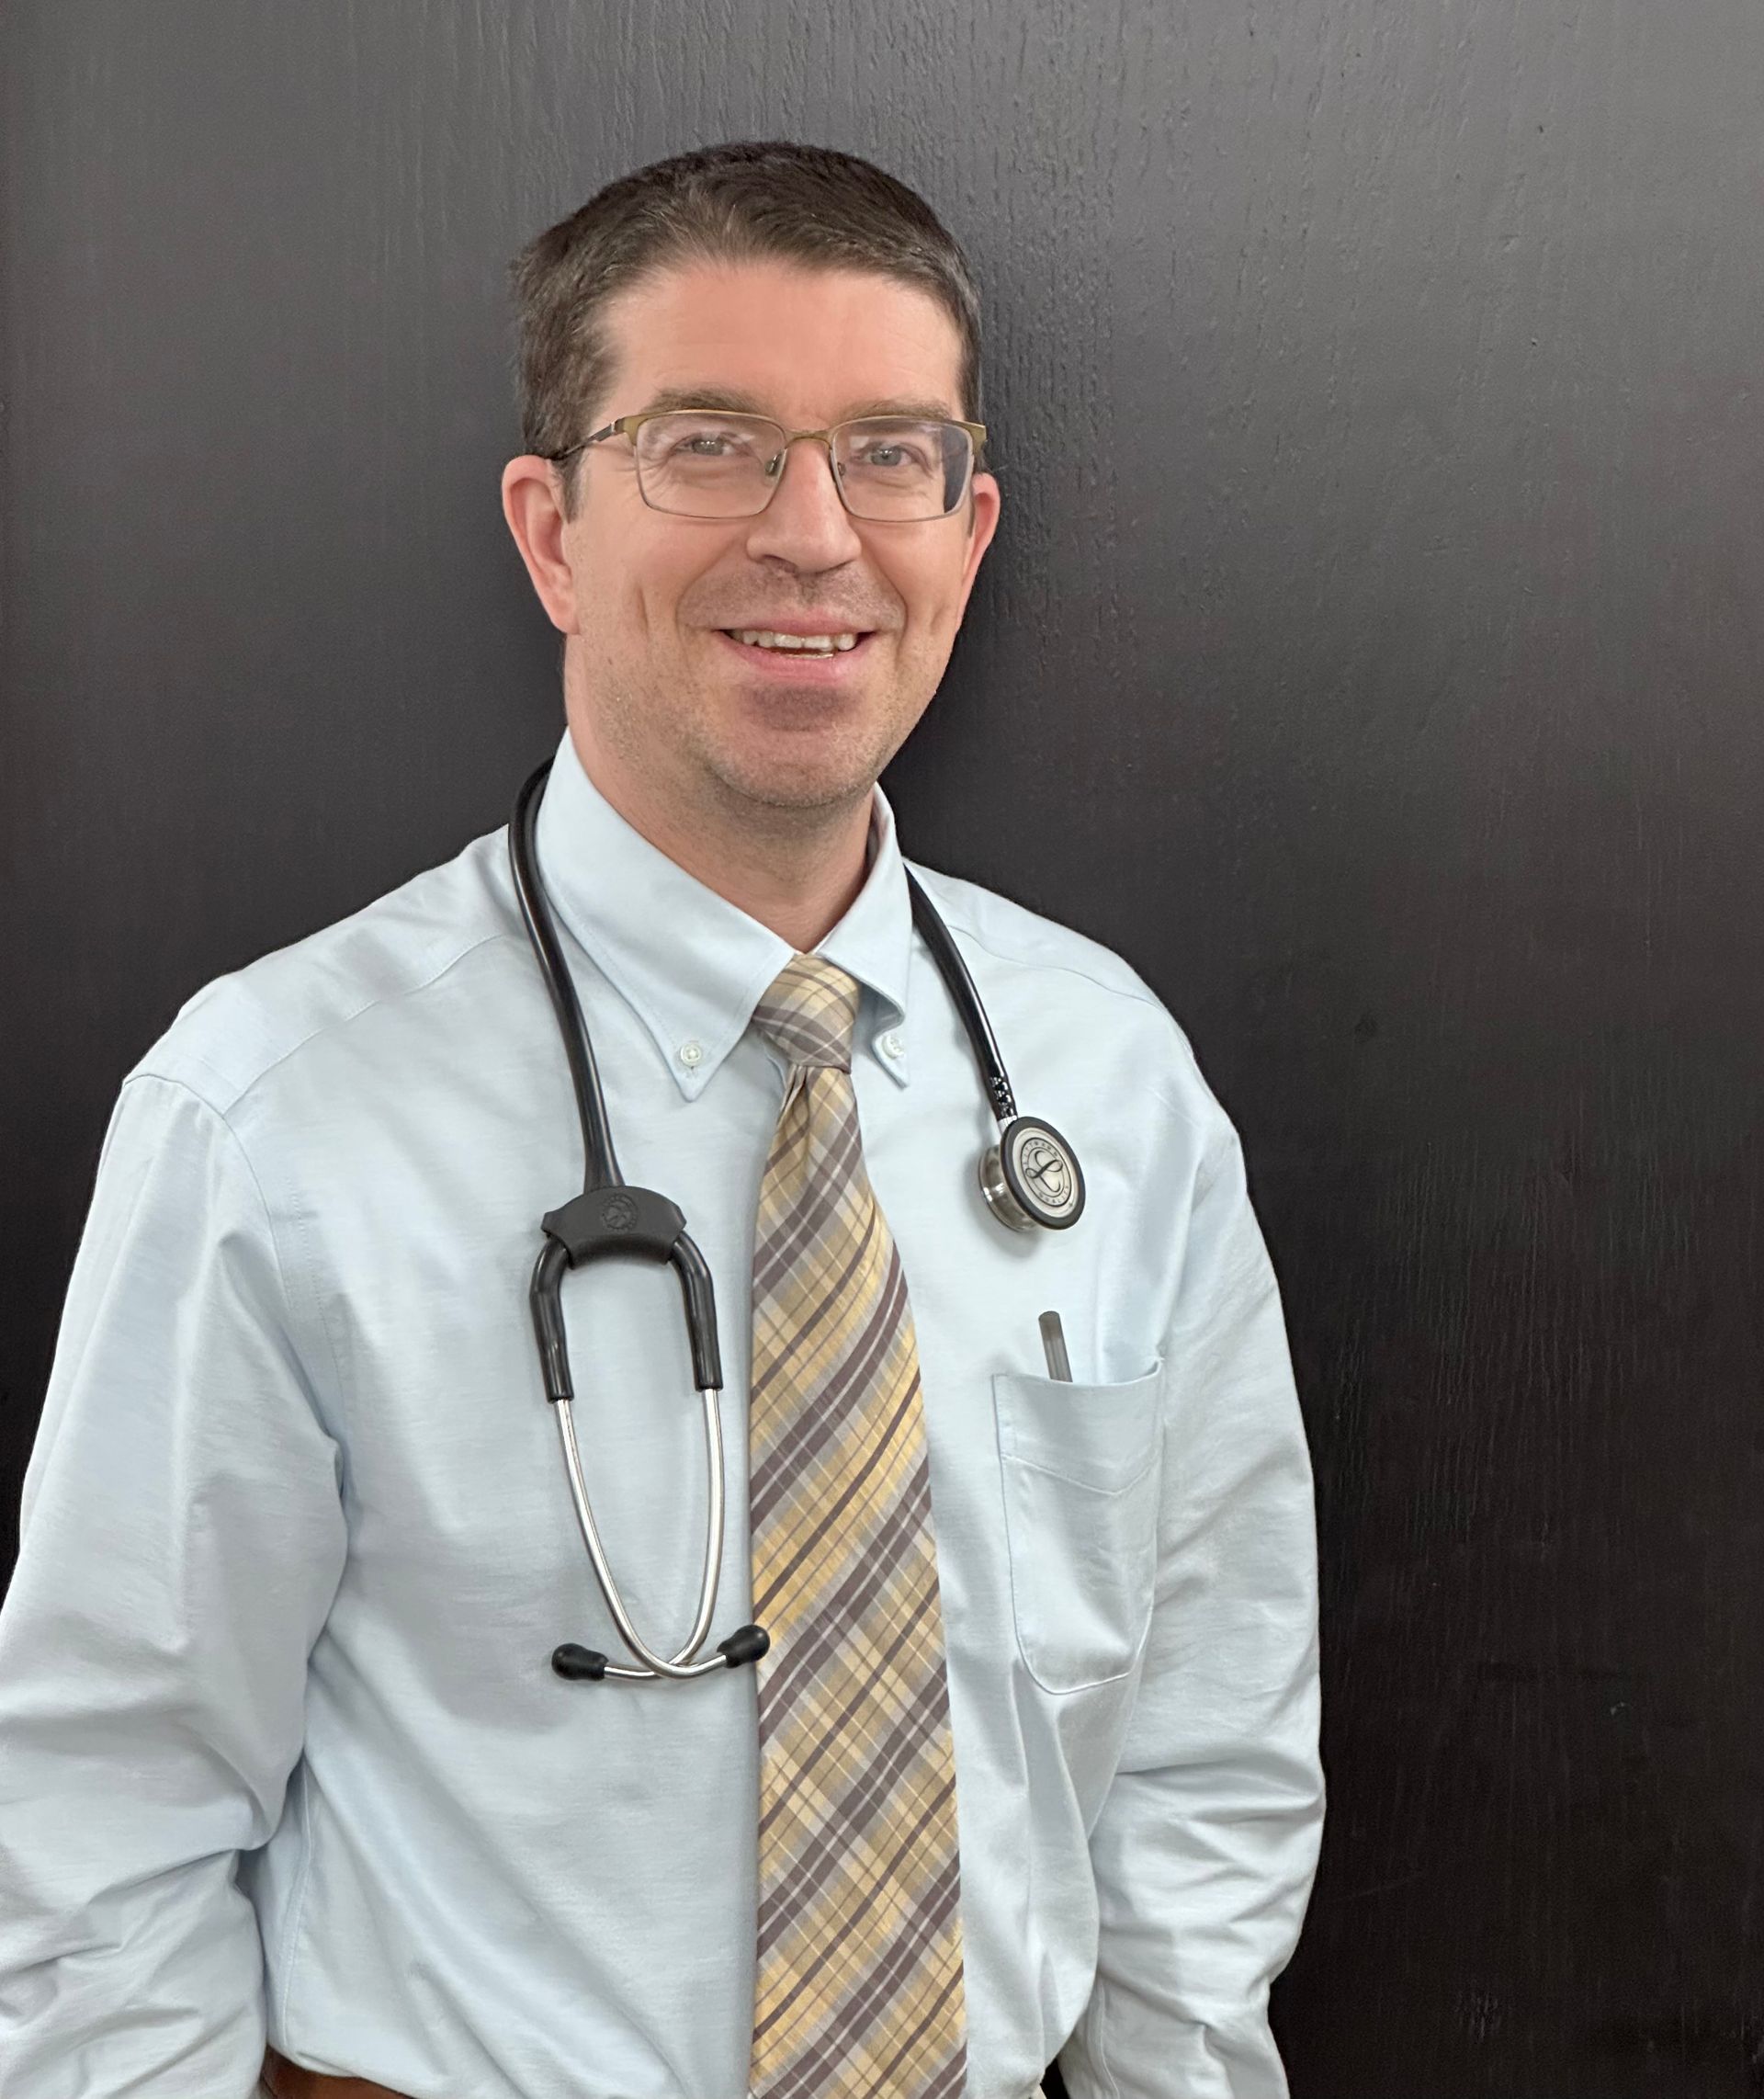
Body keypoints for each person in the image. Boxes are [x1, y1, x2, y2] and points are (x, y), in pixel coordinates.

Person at [0, 142, 1321, 2099]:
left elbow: (1206, 1749)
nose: (815, 534)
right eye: (710, 443)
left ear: (968, 529)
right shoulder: (275, 1114)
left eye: (892, 454)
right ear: (550, 529)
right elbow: (98, 1827)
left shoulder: (1109, 1075)